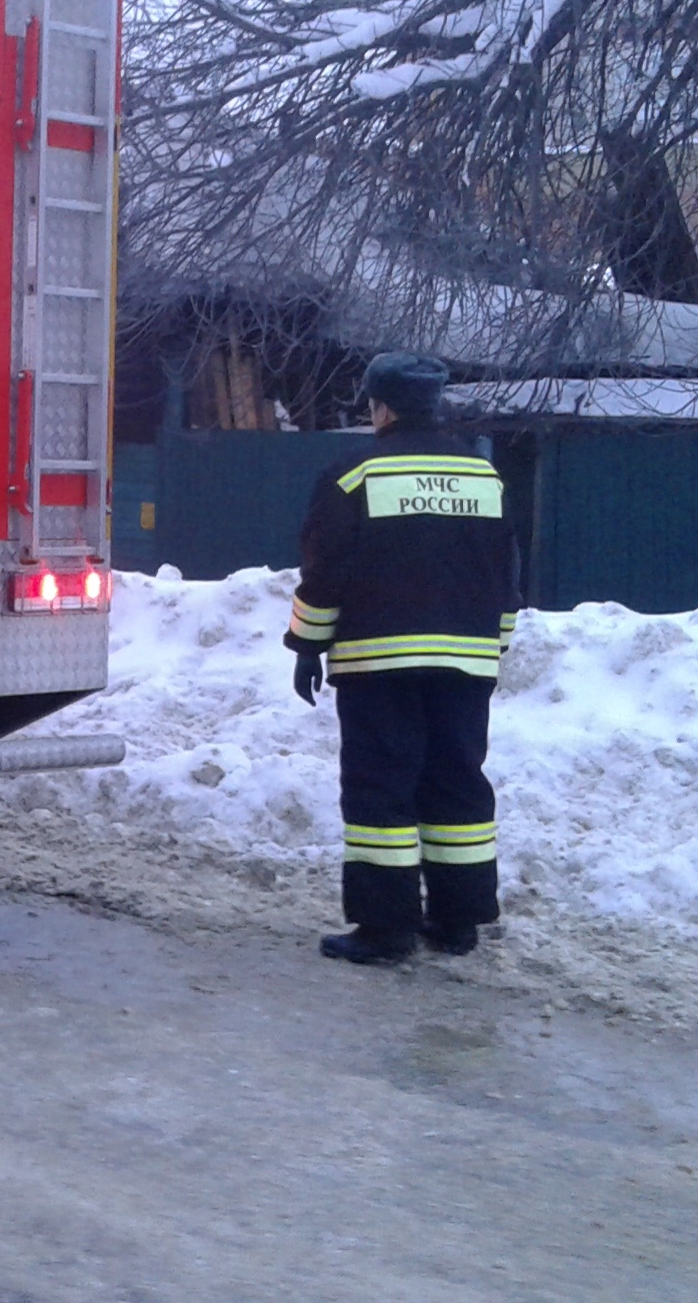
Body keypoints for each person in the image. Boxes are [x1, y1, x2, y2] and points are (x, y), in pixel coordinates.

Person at [284, 351, 522, 965]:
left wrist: (308, 644)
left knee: (381, 790)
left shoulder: (353, 474)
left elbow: (326, 571)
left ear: (380, 406)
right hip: (466, 662)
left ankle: (386, 928)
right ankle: (458, 921)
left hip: (378, 660)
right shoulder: (482, 476)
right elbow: (504, 572)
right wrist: (493, 646)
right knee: (457, 785)